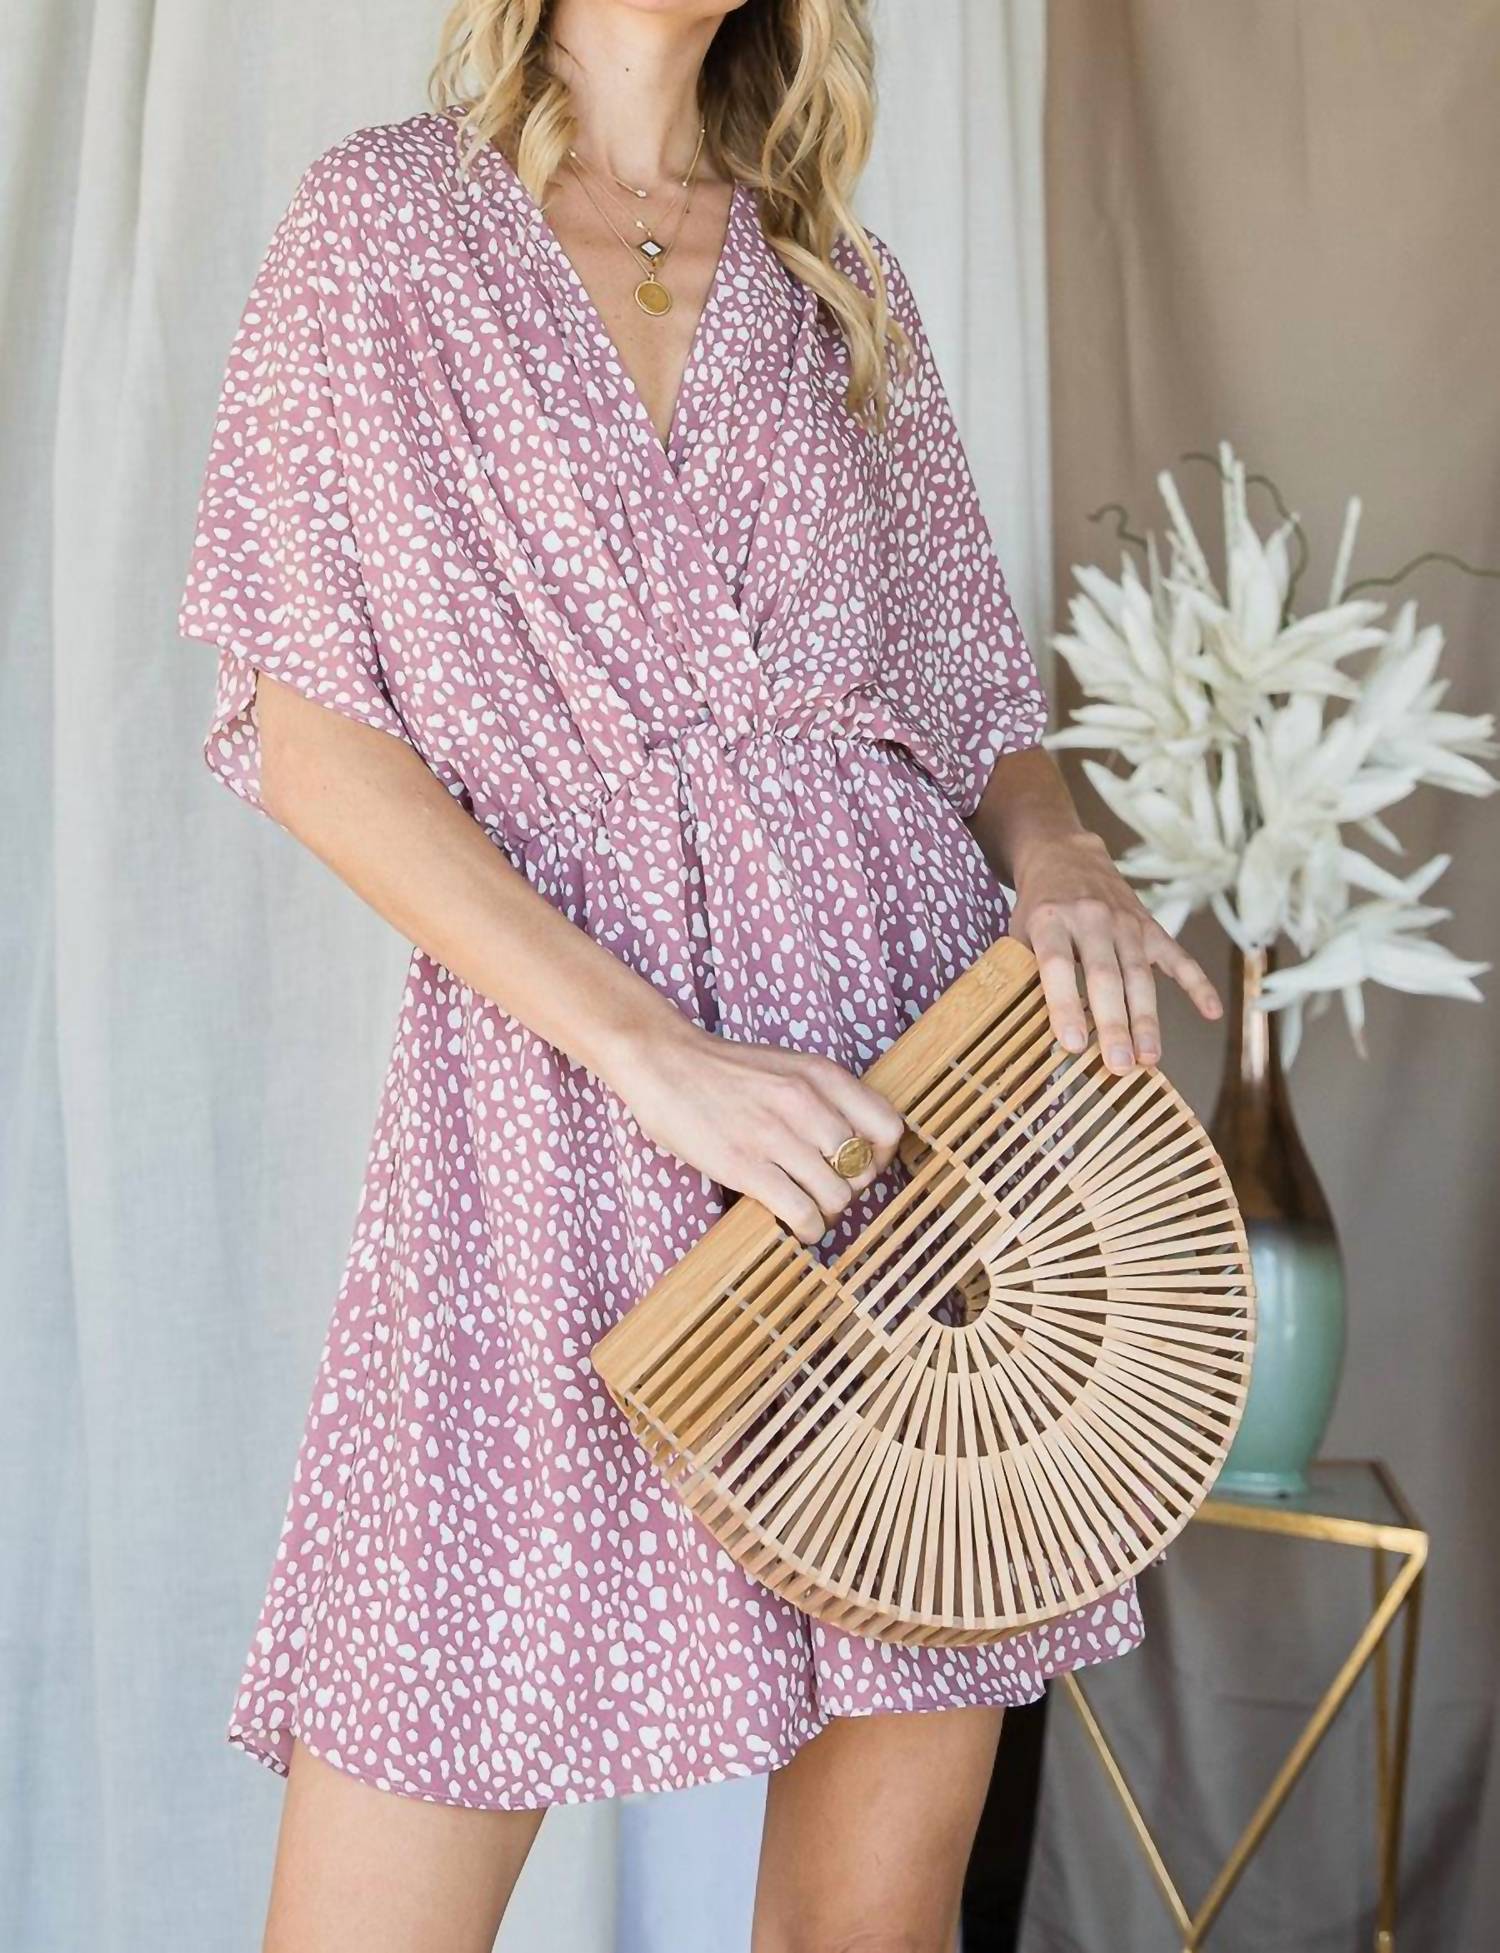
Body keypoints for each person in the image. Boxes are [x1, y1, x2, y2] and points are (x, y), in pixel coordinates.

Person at [176, 2, 1221, 1946]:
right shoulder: (385, 227)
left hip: (897, 1113)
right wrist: (659, 1055)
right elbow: (318, 741)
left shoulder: (837, 282)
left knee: (868, 1911)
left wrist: (1063, 855)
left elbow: (974, 709)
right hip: (554, 1102)